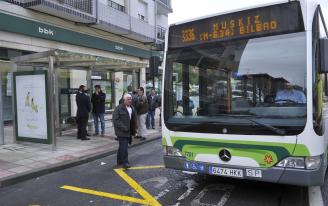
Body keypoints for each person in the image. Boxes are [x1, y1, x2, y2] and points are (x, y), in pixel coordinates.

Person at [113, 93, 137, 169]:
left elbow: (133, 119)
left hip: (129, 131)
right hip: (122, 132)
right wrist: (124, 128)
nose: (130, 100)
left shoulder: (132, 108)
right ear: (124, 100)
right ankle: (125, 162)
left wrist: (135, 128)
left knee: (122, 147)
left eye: (130, 99)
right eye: (128, 99)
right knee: (124, 147)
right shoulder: (118, 108)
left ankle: (119, 161)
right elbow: (116, 120)